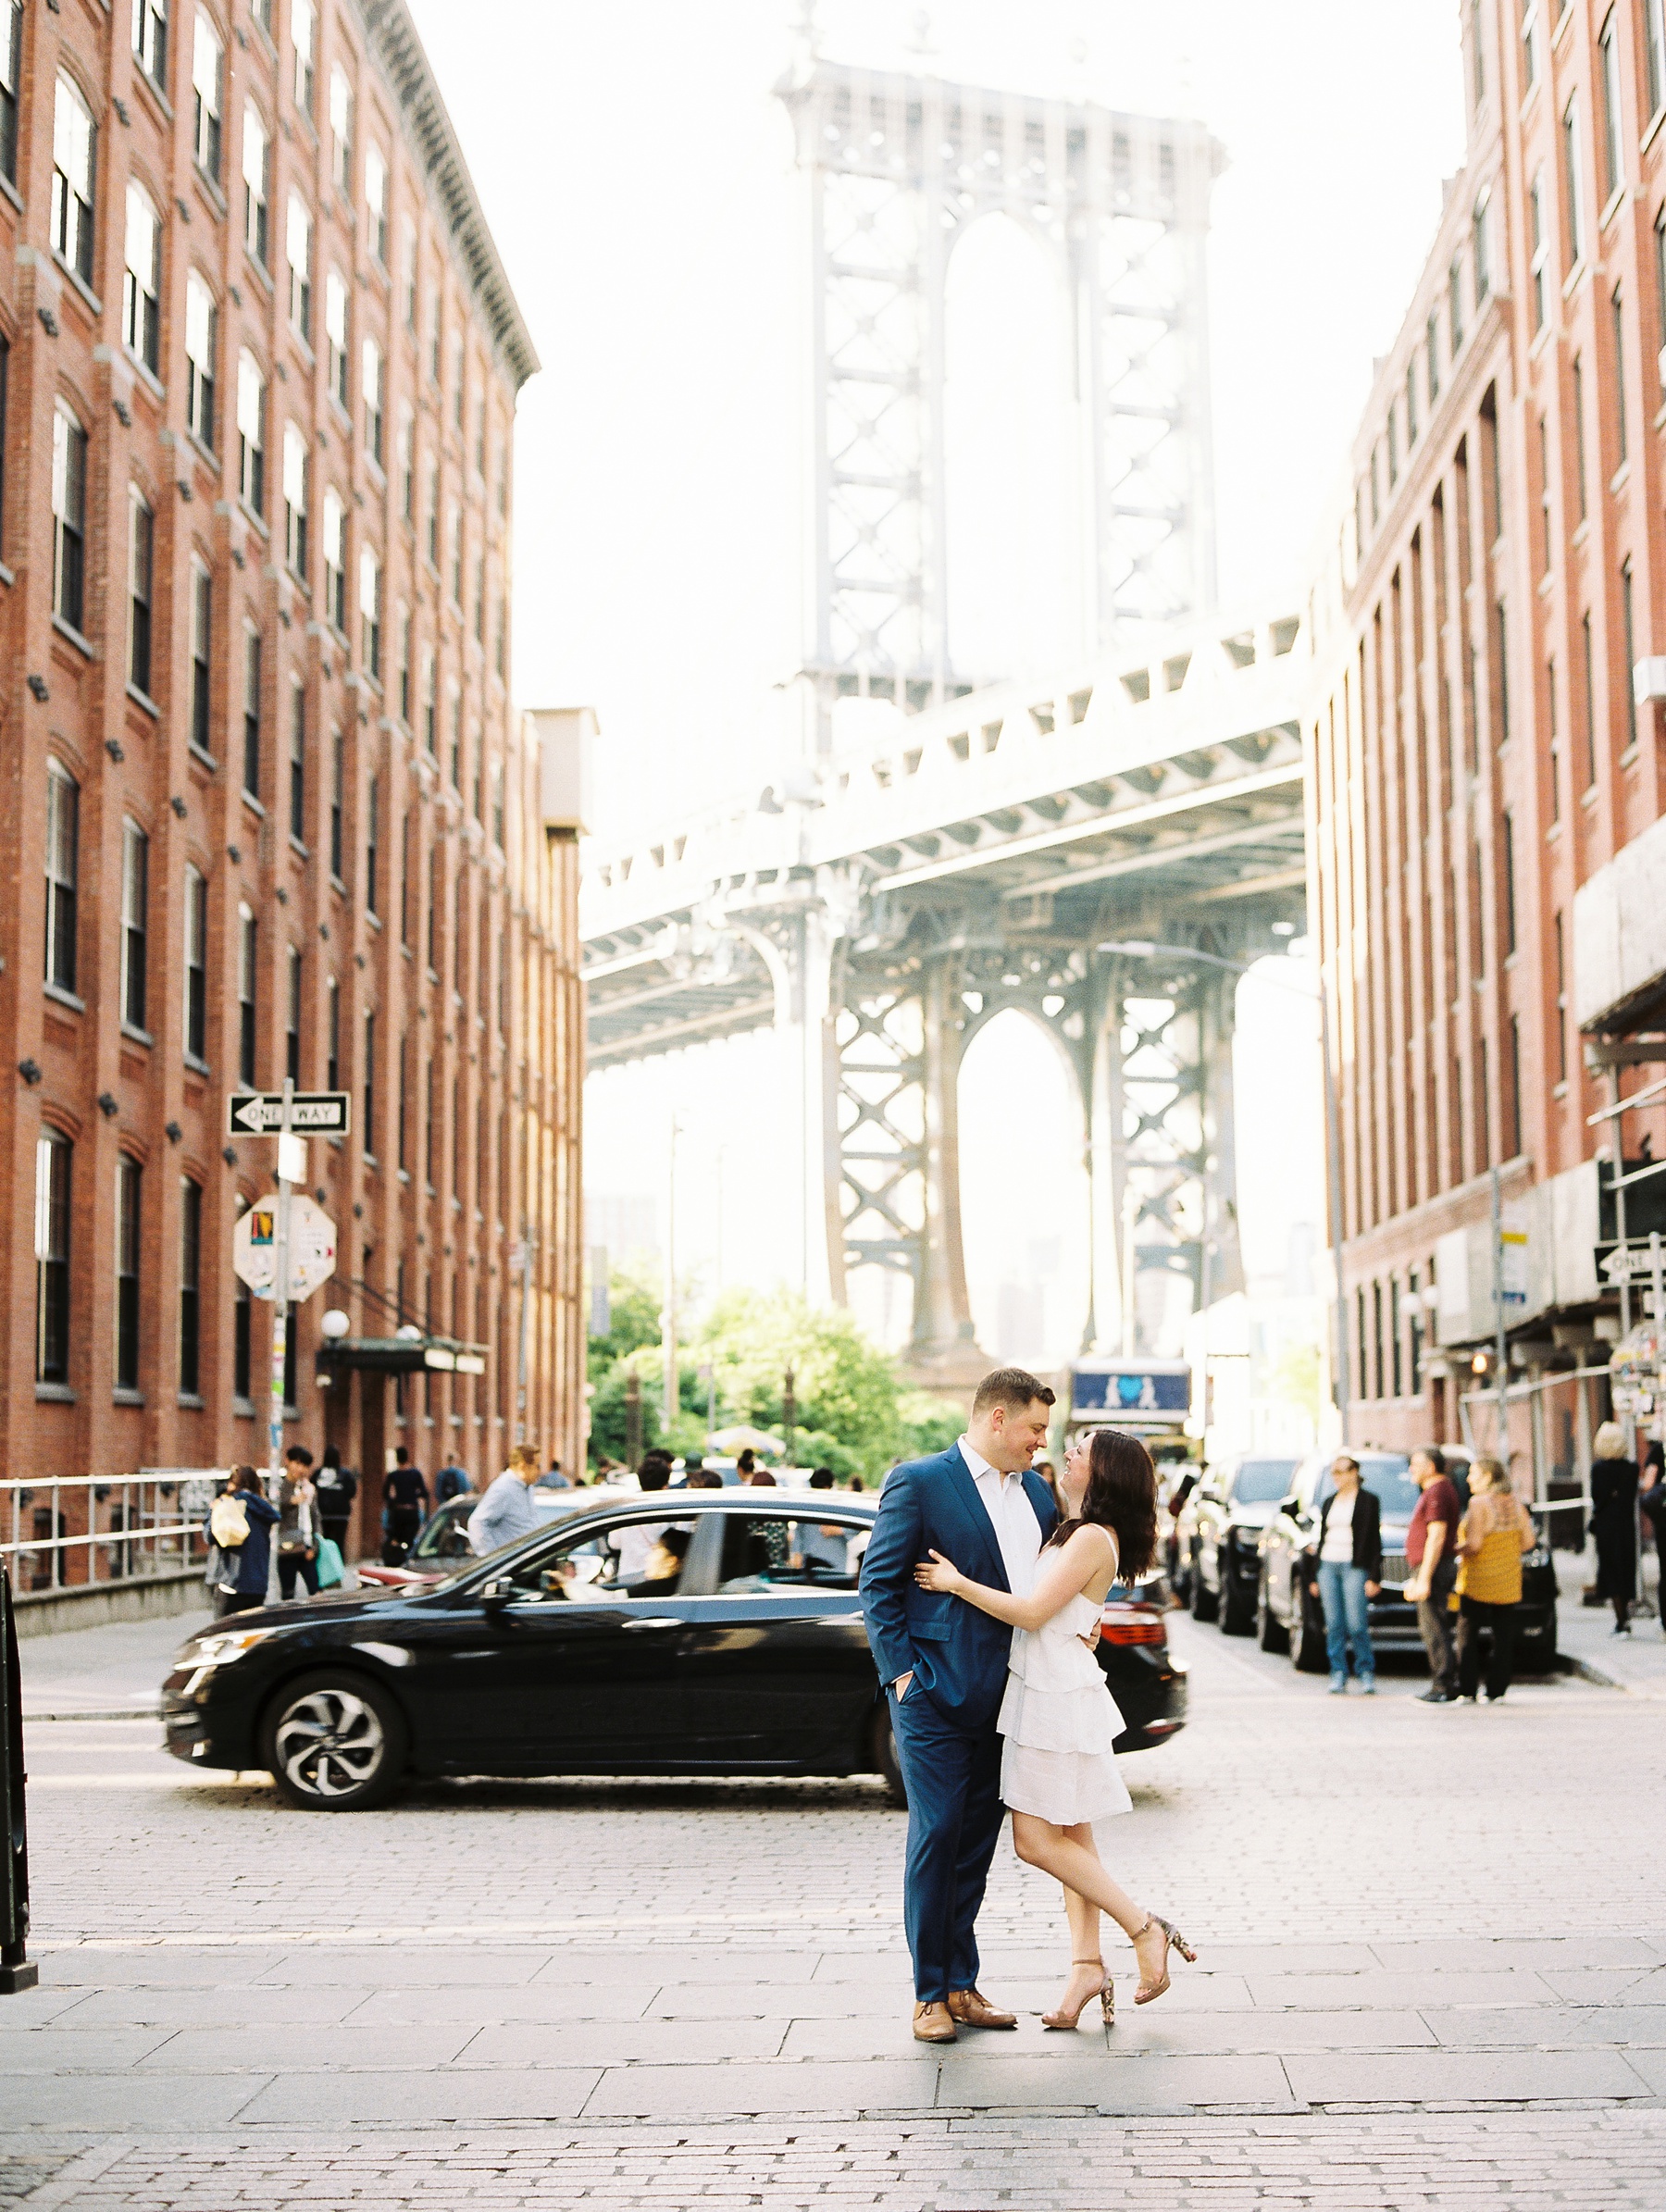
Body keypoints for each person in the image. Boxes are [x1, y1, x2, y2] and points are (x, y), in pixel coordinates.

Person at [913, 1424, 1196, 2032]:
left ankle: (1145, 1929)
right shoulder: (1076, 1532)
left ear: (1104, 1472)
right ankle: (1086, 1967)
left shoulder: (1094, 1537)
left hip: (1055, 1696)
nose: (1067, 1451)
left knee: (1035, 1842)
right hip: (1051, 1685)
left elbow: (1035, 1612)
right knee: (1074, 1837)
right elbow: (1061, 1610)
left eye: (1081, 1448)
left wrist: (957, 1583)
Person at [859, 1366, 1062, 2045]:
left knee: (974, 1845)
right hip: (935, 1698)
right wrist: (903, 1680)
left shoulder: (1037, 1496)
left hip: (1011, 1701)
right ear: (997, 1418)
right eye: (1034, 1428)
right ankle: (927, 1996)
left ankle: (961, 1983)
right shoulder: (919, 1481)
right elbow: (879, 1587)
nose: (1040, 1444)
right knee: (937, 1833)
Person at [1454, 1455, 1535, 1700]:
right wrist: (1505, 1551)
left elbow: (1476, 1544)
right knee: (1503, 1637)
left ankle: (1468, 1690)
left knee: (1467, 1635)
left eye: (1474, 1474)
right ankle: (1497, 1690)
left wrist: (1457, 1548)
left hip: (1478, 1579)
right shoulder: (1515, 1503)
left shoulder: (1479, 1503)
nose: (1469, 1479)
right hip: (1508, 1579)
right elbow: (1529, 1541)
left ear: (1488, 1477)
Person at [1304, 1454, 1382, 1695]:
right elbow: (1322, 1537)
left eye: (1341, 1471)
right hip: (1328, 1564)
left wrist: (1374, 1575)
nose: (1336, 1477)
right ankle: (1338, 1672)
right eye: (1334, 1472)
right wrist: (1315, 1574)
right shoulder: (1329, 1501)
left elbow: (1373, 1540)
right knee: (1334, 1623)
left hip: (1354, 1565)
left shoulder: (1368, 1501)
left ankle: (1365, 1670)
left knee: (1357, 1623)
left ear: (1354, 1472)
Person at [1402, 1446, 1462, 1703]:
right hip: (1435, 1566)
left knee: (1433, 1626)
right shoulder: (1438, 1489)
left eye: (1416, 1464)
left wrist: (1424, 1577)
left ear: (1431, 1466)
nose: (1411, 1470)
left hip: (1434, 1567)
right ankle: (1447, 1681)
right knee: (1435, 1624)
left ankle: (1443, 1684)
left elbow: (1436, 1536)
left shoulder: (1437, 1491)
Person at [205, 1466, 279, 1617]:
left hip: (230, 1582)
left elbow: (210, 1536)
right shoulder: (263, 1508)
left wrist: (212, 1514)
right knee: (250, 1636)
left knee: (223, 1637)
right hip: (258, 1586)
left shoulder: (225, 1505)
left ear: (232, 1484)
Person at [1588, 1423, 1638, 1636]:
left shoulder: (1598, 1469)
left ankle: (1621, 1622)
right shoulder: (1632, 1468)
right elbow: (1630, 1498)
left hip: (1607, 1525)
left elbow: (1597, 1498)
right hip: (1626, 1525)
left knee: (1611, 1571)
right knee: (1626, 1568)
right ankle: (1624, 1618)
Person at [467, 1446, 544, 1555]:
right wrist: (492, 1558)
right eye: (537, 1466)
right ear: (523, 1466)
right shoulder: (503, 1488)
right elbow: (477, 1522)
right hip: (512, 1564)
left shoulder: (527, 1488)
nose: (539, 1471)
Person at [611, 1456, 673, 1579]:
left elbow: (614, 1543)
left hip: (628, 1578)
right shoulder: (672, 1508)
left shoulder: (625, 1508)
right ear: (666, 1483)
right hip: (660, 1578)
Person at [277, 1447, 320, 1602]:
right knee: (288, 1595)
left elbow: (316, 1518)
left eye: (305, 1466)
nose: (301, 1469)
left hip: (307, 1547)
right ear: (287, 1461)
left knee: (316, 1592)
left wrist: (315, 1546)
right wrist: (291, 1502)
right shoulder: (280, 1487)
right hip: (286, 1548)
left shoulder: (308, 1488)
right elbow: (274, 1510)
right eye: (297, 1463)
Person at [383, 1448, 429, 1563]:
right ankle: (408, 1559)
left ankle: (398, 1560)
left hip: (398, 1512)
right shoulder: (415, 1474)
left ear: (397, 1458)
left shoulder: (393, 1475)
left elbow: (385, 1493)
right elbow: (424, 1492)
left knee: (397, 1539)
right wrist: (413, 1495)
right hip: (412, 1510)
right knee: (410, 1539)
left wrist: (393, 1501)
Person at [314, 1446, 357, 1559]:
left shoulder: (319, 1473)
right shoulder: (345, 1474)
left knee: (326, 1541)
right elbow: (352, 1492)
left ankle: (327, 1565)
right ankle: (339, 1566)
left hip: (324, 1513)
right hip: (341, 1514)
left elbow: (311, 1485)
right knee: (339, 1542)